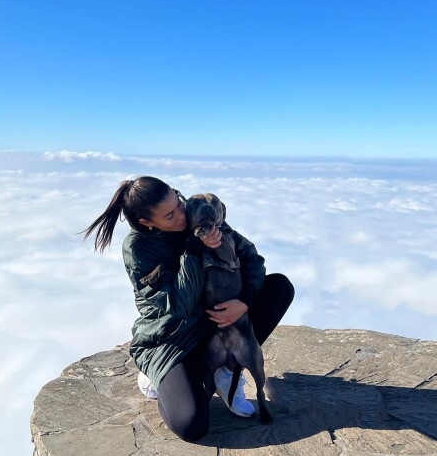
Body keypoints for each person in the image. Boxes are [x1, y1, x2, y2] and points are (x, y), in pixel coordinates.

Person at [83, 176, 294, 442]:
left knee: (279, 288)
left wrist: (245, 302)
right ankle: (160, 377)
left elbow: (251, 258)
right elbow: (178, 306)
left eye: (178, 203)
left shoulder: (195, 214)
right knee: (191, 424)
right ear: (148, 223)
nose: (181, 216)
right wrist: (193, 250)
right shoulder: (138, 248)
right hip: (172, 338)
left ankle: (227, 370)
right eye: (170, 216)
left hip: (214, 324)